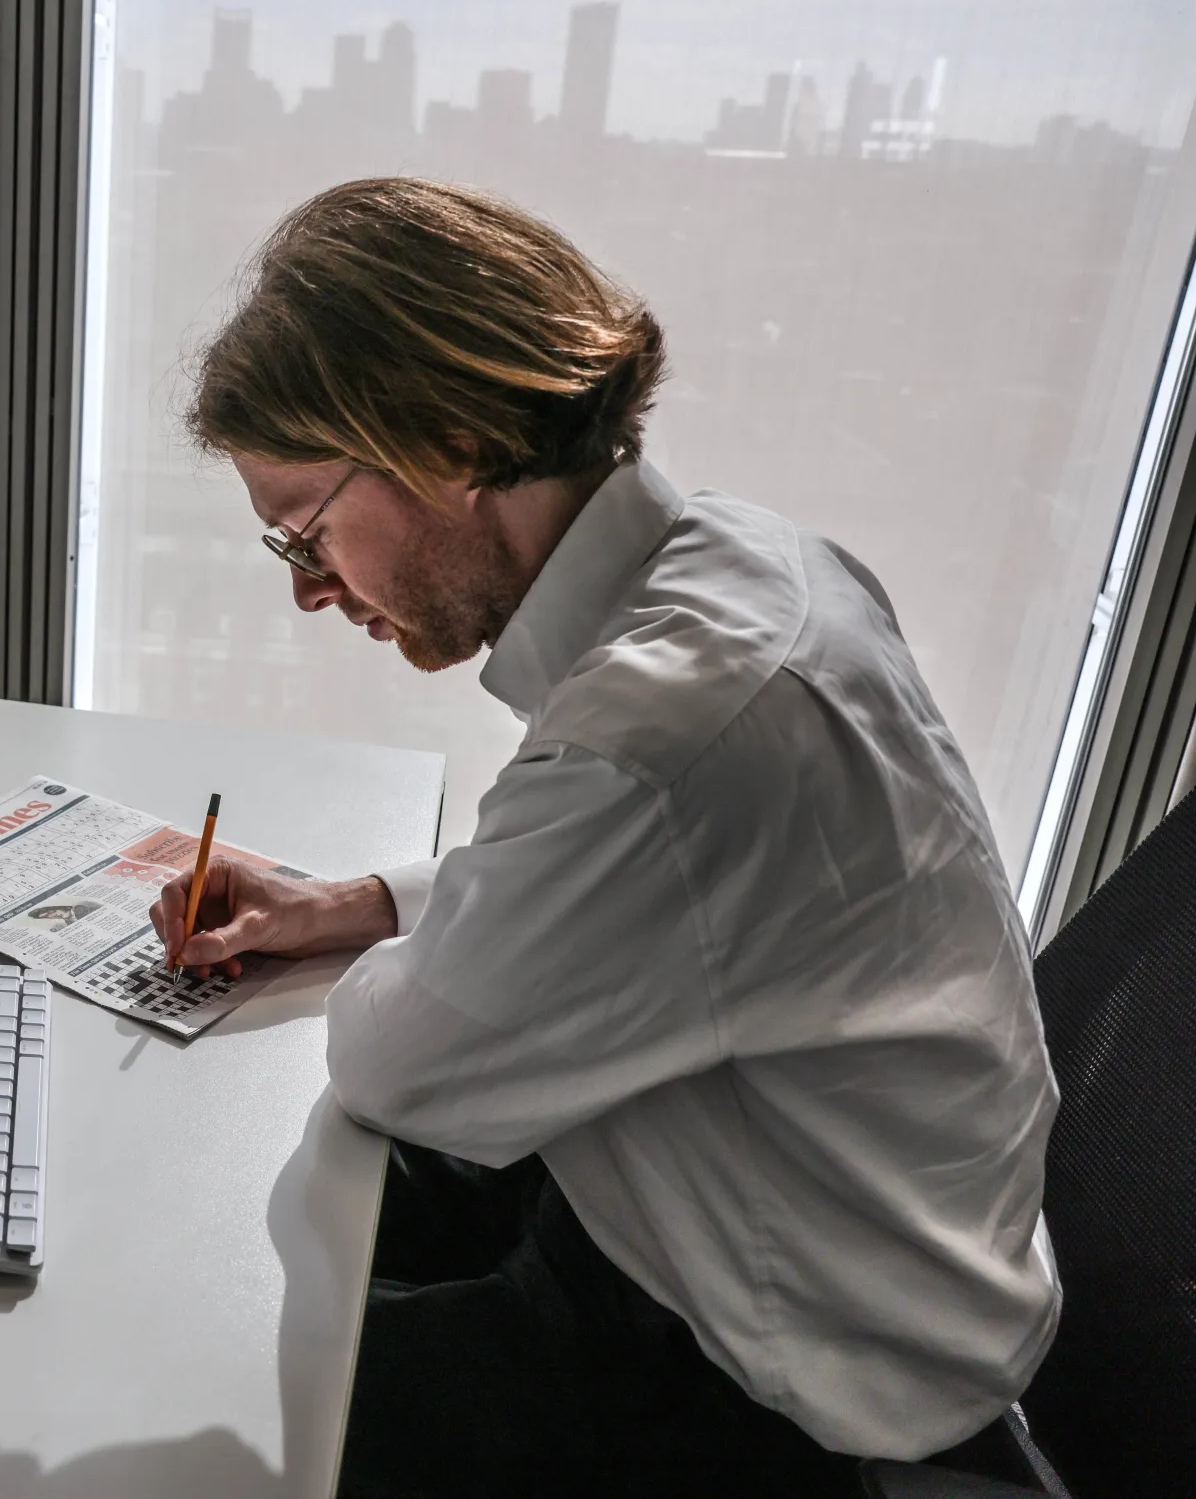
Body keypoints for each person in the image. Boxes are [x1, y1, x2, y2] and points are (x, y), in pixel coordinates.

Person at [149, 178, 1060, 1497]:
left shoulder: (661, 732)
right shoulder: (752, 567)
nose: (308, 590)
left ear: (450, 443)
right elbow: (664, 896)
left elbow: (400, 1064)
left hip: (775, 1393)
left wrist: (416, 951)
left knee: (198, 1387)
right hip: (766, 1240)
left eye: (305, 532)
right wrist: (359, 903)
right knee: (254, 1242)